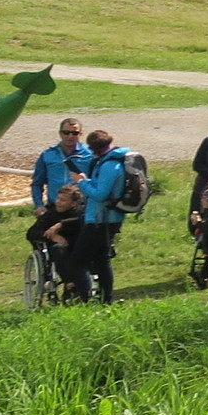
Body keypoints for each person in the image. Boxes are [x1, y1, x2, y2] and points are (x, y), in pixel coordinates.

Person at [71, 128, 133, 303]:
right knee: (101, 261)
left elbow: (100, 195)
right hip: (107, 218)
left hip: (101, 220)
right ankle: (106, 301)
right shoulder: (112, 160)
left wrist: (81, 182)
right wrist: (87, 180)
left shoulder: (109, 165)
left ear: (93, 148)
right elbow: (102, 187)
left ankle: (86, 299)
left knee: (77, 261)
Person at [28, 181, 86, 295]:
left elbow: (80, 220)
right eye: (58, 198)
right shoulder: (51, 213)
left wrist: (61, 224)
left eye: (63, 200)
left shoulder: (80, 213)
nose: (58, 202)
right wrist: (52, 236)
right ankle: (69, 283)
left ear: (73, 203)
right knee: (57, 249)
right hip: (58, 250)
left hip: (77, 247)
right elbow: (31, 232)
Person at [30, 116, 90, 209]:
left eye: (75, 133)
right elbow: (37, 183)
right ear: (60, 133)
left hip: (81, 207)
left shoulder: (89, 155)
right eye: (66, 132)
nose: (70, 136)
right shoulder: (48, 155)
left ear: (80, 134)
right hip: (54, 206)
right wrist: (39, 205)